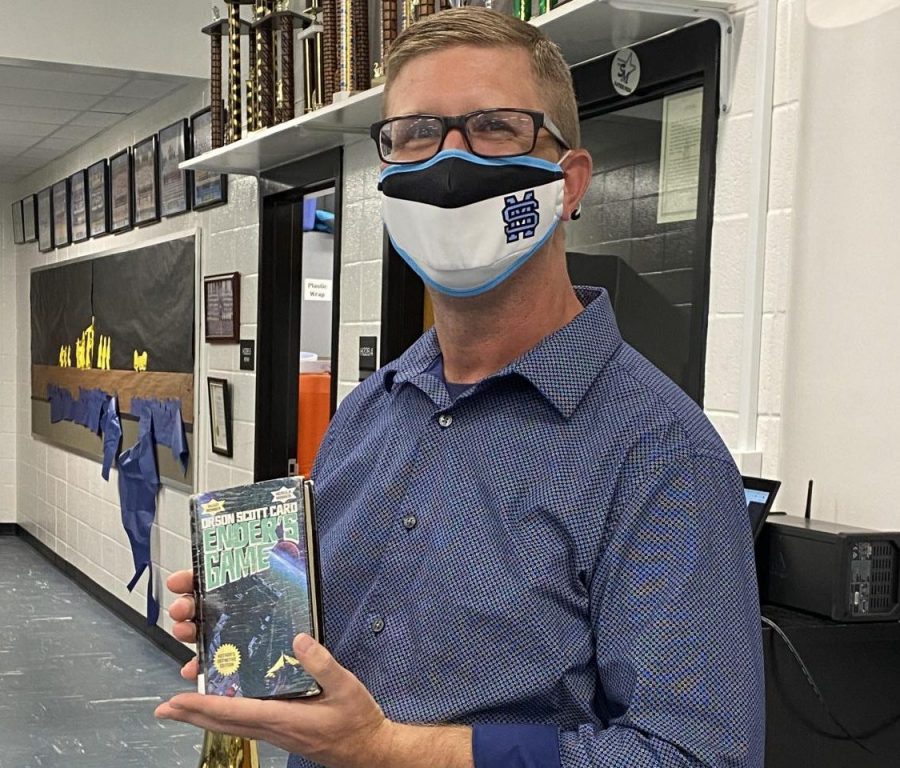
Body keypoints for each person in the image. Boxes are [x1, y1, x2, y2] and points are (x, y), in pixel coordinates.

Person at [157, 8, 765, 767]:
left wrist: (389, 749)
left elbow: (696, 756)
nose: (447, 163)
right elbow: (341, 660)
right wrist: (262, 625)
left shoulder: (661, 457)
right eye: (414, 133)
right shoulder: (368, 412)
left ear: (569, 181)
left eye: (494, 126)